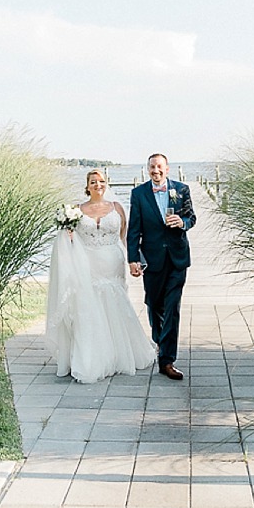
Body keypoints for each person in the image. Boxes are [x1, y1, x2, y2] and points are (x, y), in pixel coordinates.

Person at [45, 168, 155, 384]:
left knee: (114, 302)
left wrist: (134, 261)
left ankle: (120, 353)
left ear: (107, 184)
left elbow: (125, 237)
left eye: (101, 181)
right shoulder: (76, 210)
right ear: (87, 186)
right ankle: (91, 357)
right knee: (88, 306)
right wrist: (67, 236)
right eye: (93, 181)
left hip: (112, 262)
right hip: (86, 263)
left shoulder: (117, 208)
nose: (98, 185)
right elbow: (68, 241)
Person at [127, 153, 196, 380]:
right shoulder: (139, 194)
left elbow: (192, 218)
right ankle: (160, 339)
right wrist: (133, 259)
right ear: (148, 170)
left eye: (159, 167)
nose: (155, 170)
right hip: (153, 259)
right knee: (154, 304)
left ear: (167, 169)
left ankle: (167, 361)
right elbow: (134, 229)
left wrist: (182, 223)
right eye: (151, 167)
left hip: (177, 258)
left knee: (172, 308)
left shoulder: (182, 189)